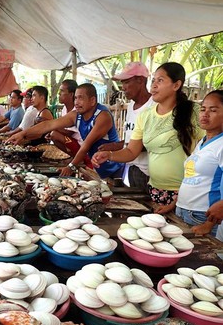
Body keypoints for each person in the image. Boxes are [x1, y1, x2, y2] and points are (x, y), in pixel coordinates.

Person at [92, 62, 203, 213]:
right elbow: (131, 151)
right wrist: (110, 155)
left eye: (160, 80)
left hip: (187, 192)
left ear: (176, 85)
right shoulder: (146, 115)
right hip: (156, 190)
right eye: (154, 80)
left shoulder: (193, 112)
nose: (154, 86)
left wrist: (182, 194)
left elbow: (205, 152)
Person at [7, 83, 124, 178]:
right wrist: (22, 134)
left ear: (93, 100)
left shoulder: (102, 116)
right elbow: (49, 124)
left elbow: (86, 146)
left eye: (81, 98)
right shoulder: (76, 115)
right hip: (95, 163)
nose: (76, 102)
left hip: (113, 167)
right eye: (76, 98)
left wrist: (71, 166)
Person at [99, 62, 154, 191]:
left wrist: (113, 153)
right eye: (122, 83)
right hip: (133, 168)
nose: (123, 87)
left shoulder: (154, 106)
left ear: (140, 80)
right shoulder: (130, 107)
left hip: (149, 173)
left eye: (126, 82)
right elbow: (134, 140)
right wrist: (115, 146)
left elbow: (149, 142)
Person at [176, 90, 223, 237]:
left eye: (213, 110)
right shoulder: (202, 141)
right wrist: (173, 204)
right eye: (203, 109)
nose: (205, 114)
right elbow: (193, 177)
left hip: (203, 216)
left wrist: (208, 224)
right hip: (183, 210)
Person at [47, 79, 92, 168]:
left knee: (54, 134)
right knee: (53, 134)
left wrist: (51, 128)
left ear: (71, 94)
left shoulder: (76, 111)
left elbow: (69, 132)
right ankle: (74, 157)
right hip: (73, 143)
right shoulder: (64, 109)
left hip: (82, 146)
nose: (59, 94)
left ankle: (78, 158)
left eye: (62, 91)